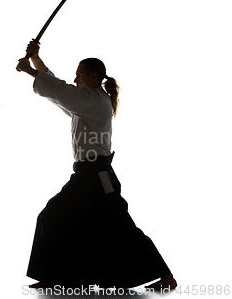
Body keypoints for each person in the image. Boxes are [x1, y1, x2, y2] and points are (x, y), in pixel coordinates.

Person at [15, 41, 177, 291]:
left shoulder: (95, 100)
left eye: (79, 74)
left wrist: (30, 70)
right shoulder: (86, 102)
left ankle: (165, 276)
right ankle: (55, 275)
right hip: (83, 177)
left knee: (121, 226)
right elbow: (60, 93)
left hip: (98, 177)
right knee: (51, 217)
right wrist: (36, 60)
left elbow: (62, 91)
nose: (75, 78)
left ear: (93, 76)